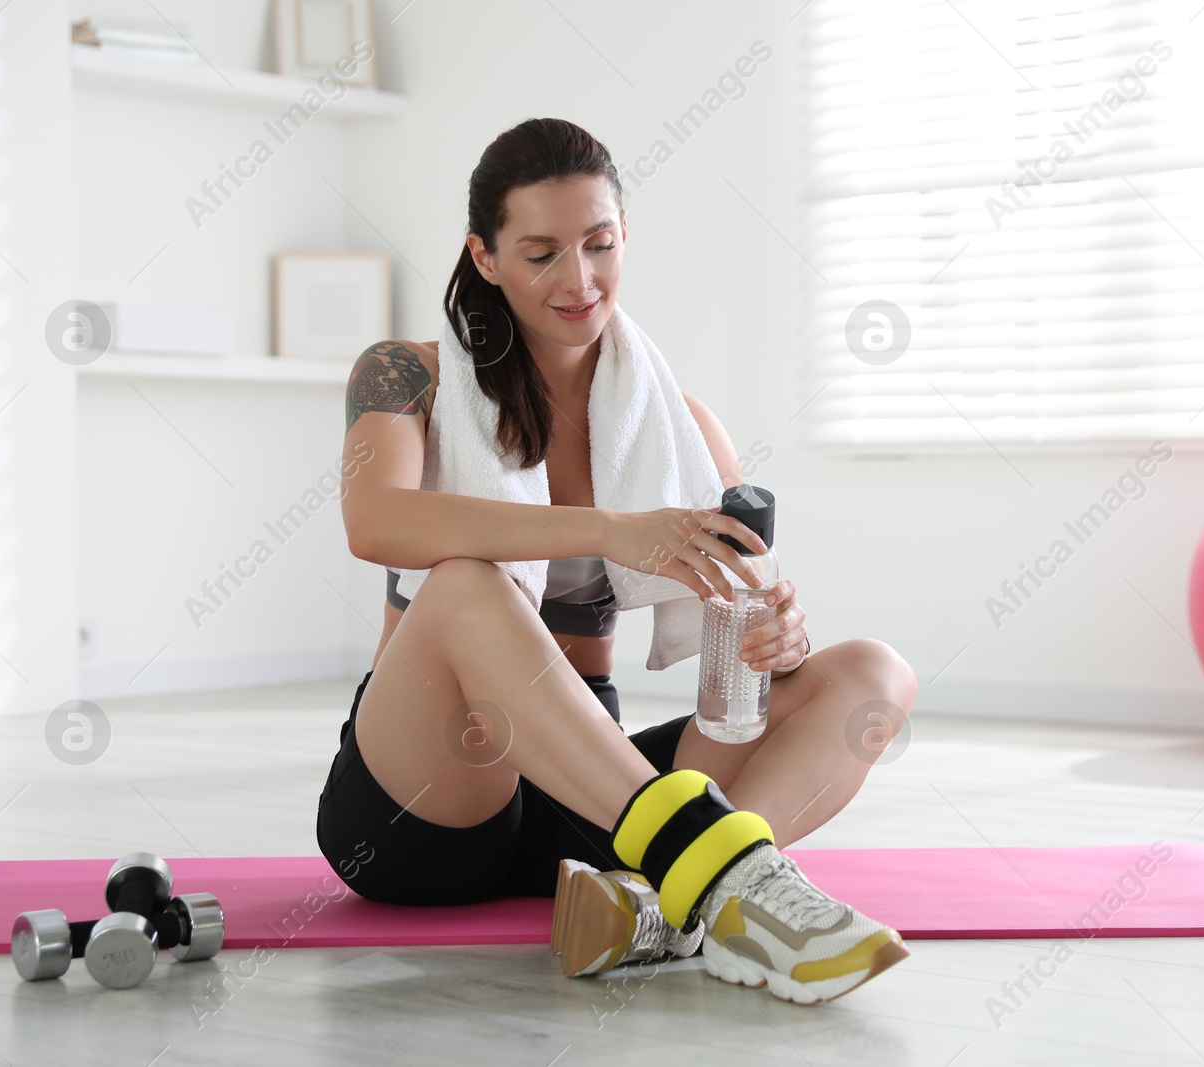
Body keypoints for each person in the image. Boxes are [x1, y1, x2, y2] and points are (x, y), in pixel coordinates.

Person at [315, 117, 918, 1004]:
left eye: (599, 244)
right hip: (437, 789)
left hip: (591, 794)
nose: (579, 279)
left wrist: (775, 635)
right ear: (483, 257)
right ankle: (725, 880)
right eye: (541, 252)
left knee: (872, 675)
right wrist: (605, 529)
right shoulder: (407, 375)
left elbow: (743, 628)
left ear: (624, 235)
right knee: (465, 581)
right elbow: (376, 522)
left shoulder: (681, 423)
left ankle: (662, 899)